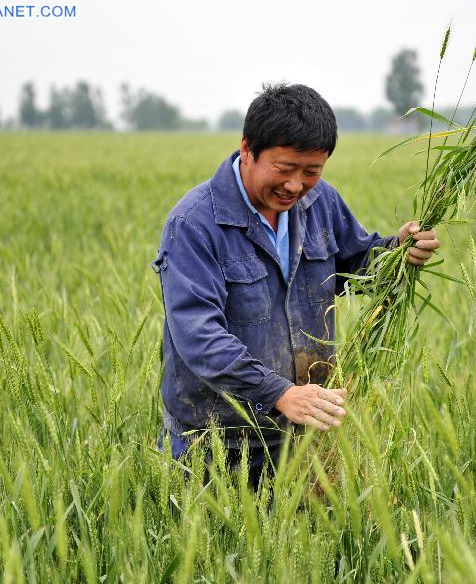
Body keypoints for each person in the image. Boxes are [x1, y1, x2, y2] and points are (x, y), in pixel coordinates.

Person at [151, 83, 439, 488]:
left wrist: (398, 252)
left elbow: (357, 263)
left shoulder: (321, 203)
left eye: (312, 172)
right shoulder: (194, 225)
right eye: (284, 169)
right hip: (215, 442)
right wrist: (278, 393)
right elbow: (199, 337)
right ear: (247, 149)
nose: (295, 185)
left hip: (304, 438)